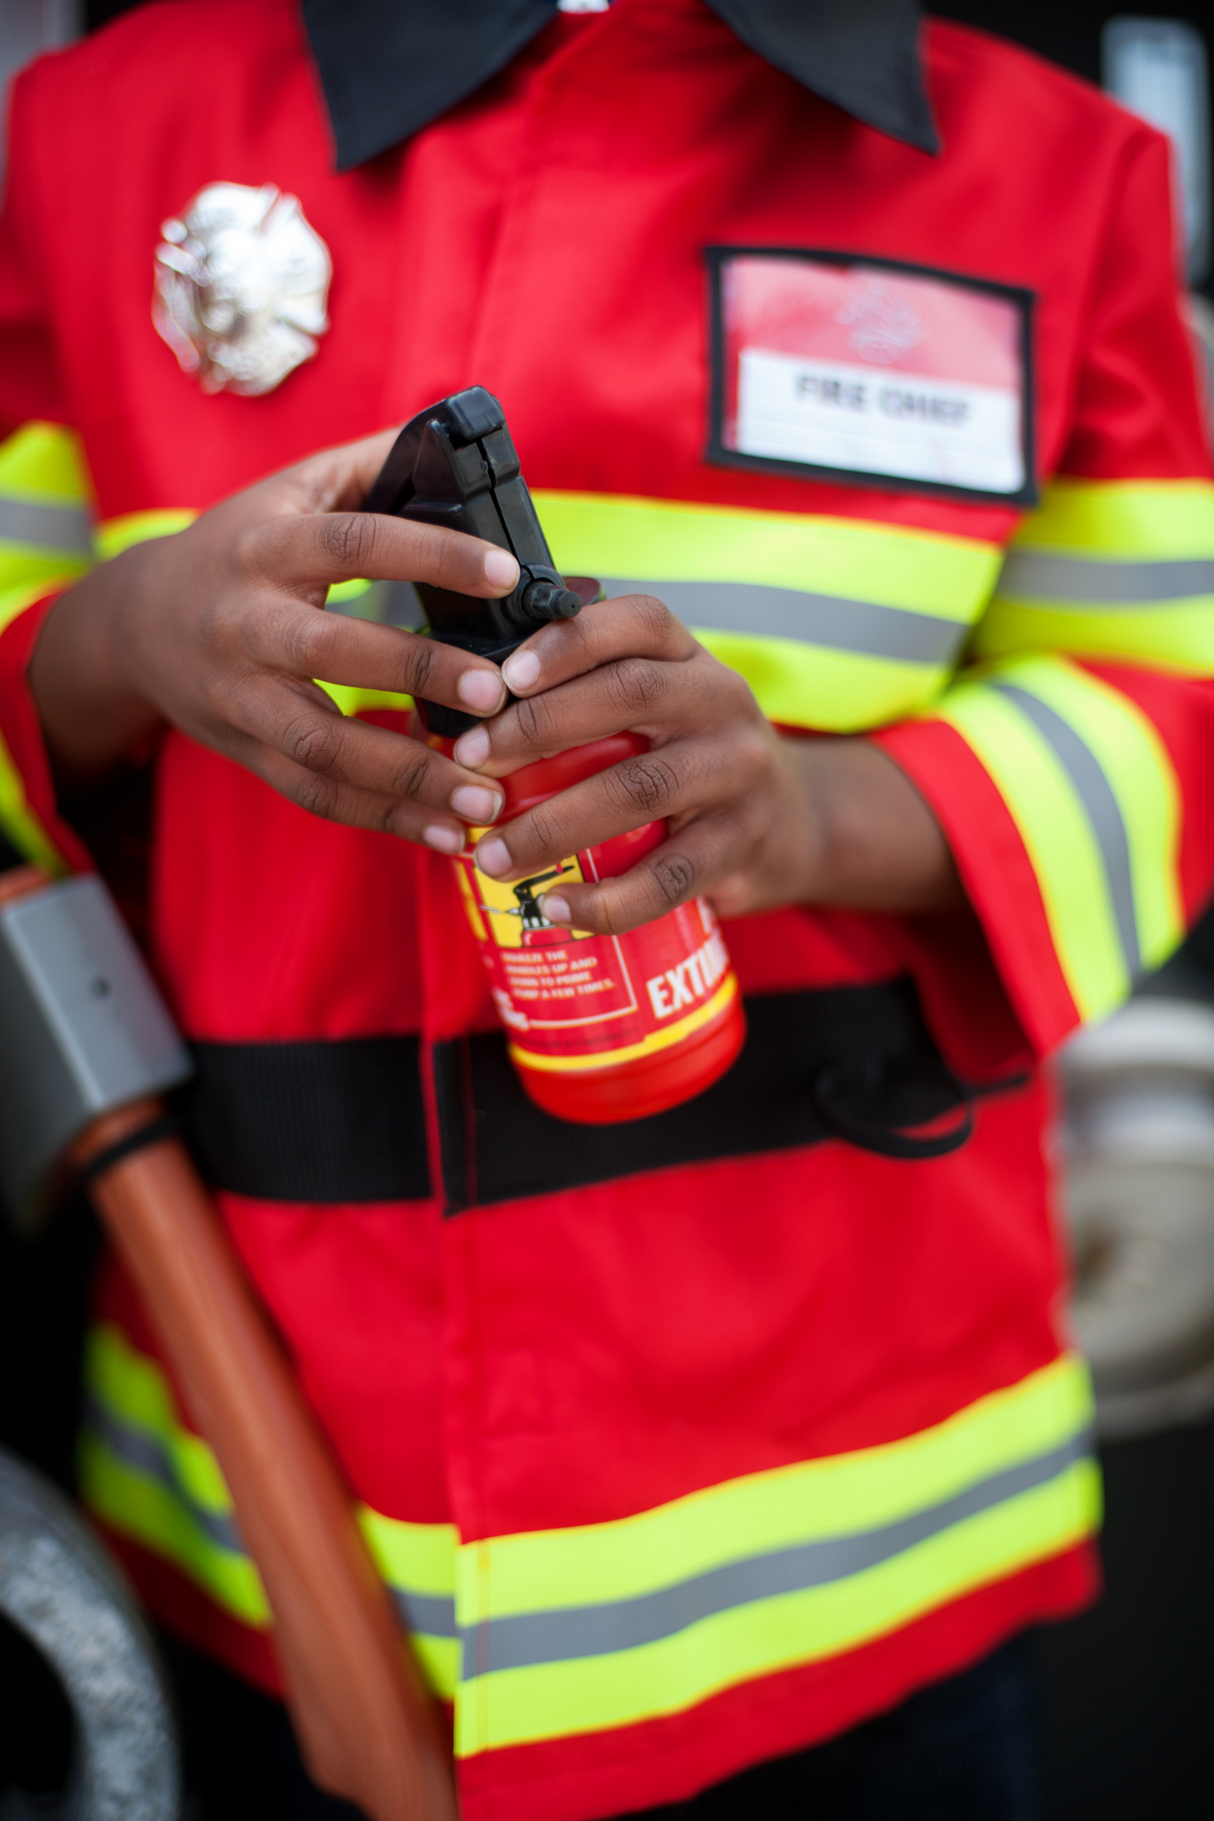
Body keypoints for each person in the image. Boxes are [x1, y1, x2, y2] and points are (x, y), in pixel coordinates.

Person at [0, 0, 1212, 1815]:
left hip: (859, 1550)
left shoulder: (1054, 171)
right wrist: (122, 634)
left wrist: (813, 812)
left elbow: (1169, 695)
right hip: (270, 1524)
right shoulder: (97, 127)